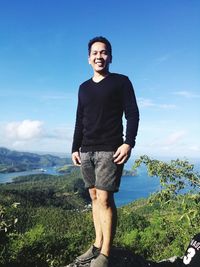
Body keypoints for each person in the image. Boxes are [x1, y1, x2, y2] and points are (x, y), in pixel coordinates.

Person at [71, 36, 139, 267]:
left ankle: (106, 254)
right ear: (88, 59)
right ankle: (97, 244)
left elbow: (132, 113)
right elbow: (80, 120)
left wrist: (128, 142)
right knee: (93, 198)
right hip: (86, 150)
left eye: (104, 52)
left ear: (110, 56)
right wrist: (74, 147)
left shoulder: (121, 82)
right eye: (95, 53)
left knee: (105, 199)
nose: (99, 56)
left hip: (110, 149)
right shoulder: (83, 88)